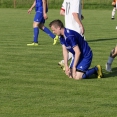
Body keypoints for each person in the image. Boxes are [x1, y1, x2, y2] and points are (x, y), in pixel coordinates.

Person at [58, 0, 85, 71]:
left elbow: (61, 12)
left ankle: (64, 62)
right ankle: (71, 70)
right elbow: (74, 14)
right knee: (78, 50)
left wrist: (78, 16)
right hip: (75, 29)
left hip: (67, 29)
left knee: (73, 49)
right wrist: (81, 25)